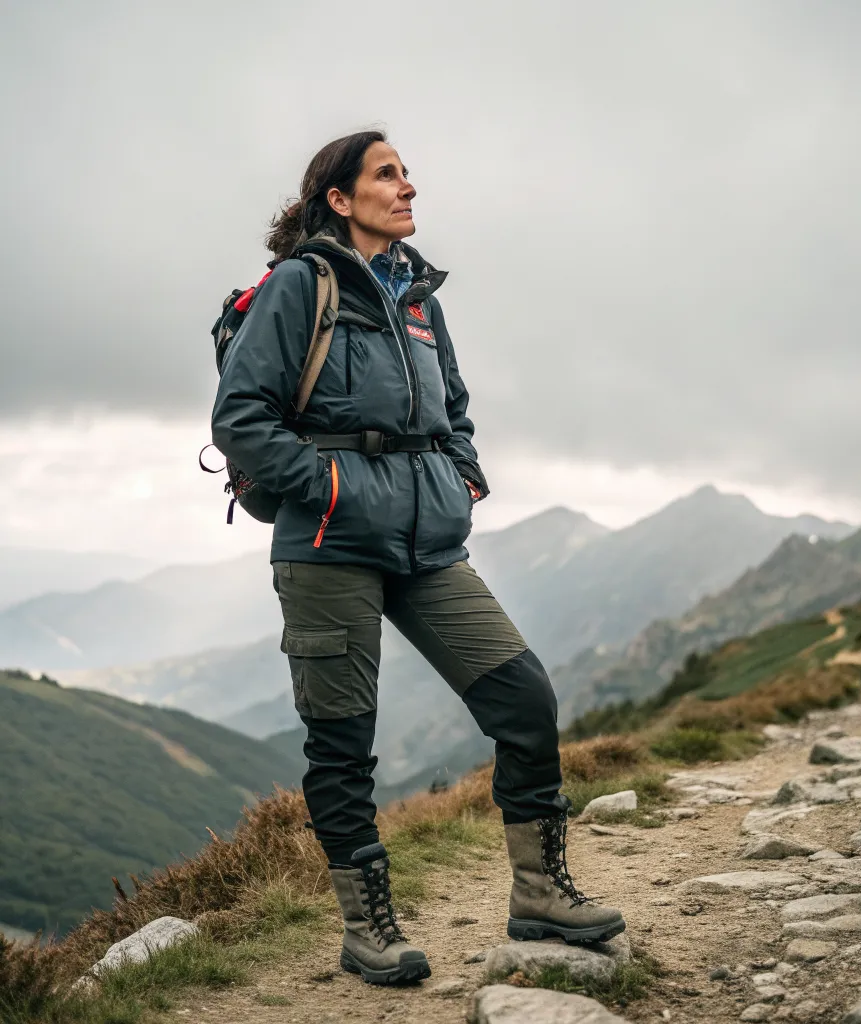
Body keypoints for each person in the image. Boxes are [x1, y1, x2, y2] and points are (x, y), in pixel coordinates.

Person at [211, 130, 625, 985]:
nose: (408, 186)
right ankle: (369, 930)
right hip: (327, 544)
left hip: (427, 542)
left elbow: (454, 410)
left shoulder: (418, 299)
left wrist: (460, 477)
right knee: (342, 744)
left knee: (524, 697)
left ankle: (541, 893)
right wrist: (329, 486)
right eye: (387, 174)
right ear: (340, 199)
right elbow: (240, 417)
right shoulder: (302, 286)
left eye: (406, 173)